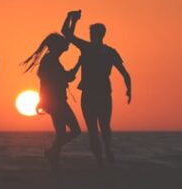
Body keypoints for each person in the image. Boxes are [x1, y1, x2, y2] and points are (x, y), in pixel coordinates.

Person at [62, 10, 132, 165]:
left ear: (98, 35)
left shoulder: (97, 50)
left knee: (101, 127)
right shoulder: (100, 50)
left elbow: (124, 73)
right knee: (97, 128)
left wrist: (71, 18)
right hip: (93, 93)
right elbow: (66, 34)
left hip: (99, 93)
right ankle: (102, 156)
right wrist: (71, 19)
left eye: (93, 33)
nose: (91, 35)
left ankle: (105, 153)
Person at [22, 33, 83, 169]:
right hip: (57, 102)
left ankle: (54, 159)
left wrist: (72, 20)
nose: (65, 46)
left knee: (61, 133)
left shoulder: (50, 59)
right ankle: (52, 153)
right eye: (61, 45)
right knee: (75, 131)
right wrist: (79, 63)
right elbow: (67, 77)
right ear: (56, 47)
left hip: (54, 101)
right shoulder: (51, 61)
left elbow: (67, 42)